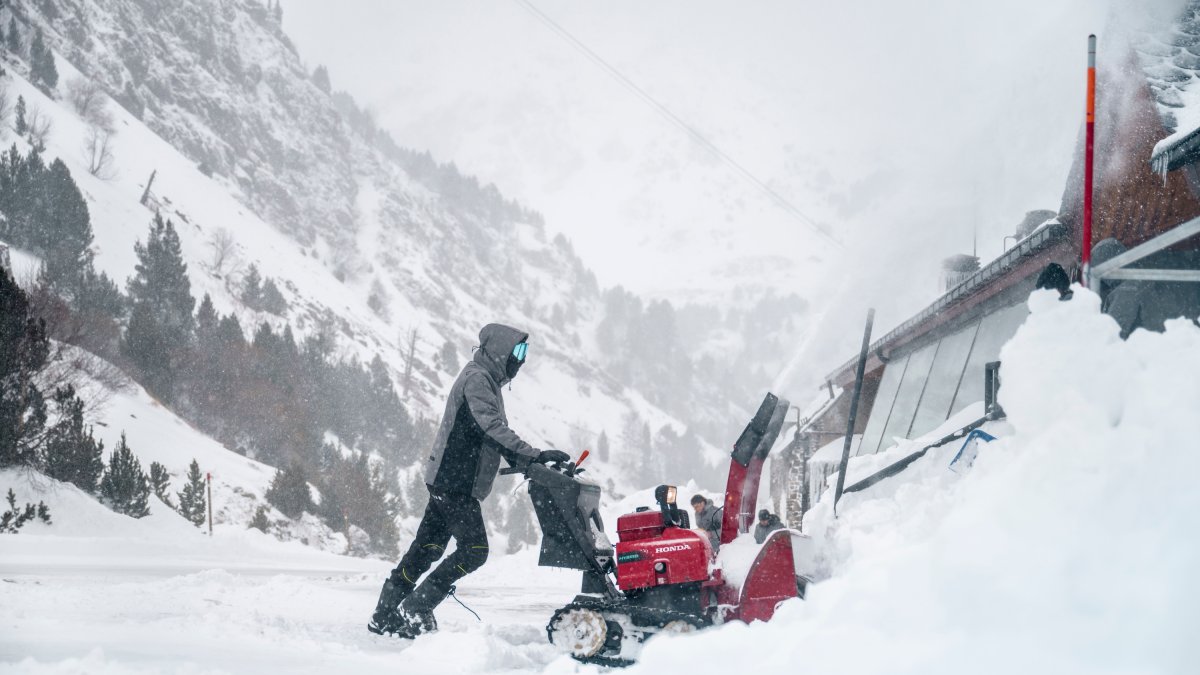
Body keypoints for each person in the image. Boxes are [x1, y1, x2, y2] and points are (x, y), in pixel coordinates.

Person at [368, 323, 570, 638]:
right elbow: (490, 428)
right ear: (500, 350)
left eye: (525, 353)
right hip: (453, 481)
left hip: (449, 479)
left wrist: (529, 462)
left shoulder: (486, 381)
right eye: (517, 351)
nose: (521, 360)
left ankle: (384, 614)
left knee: (427, 548)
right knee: (474, 549)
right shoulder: (477, 381)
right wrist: (532, 455)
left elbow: (489, 434)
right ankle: (416, 607)